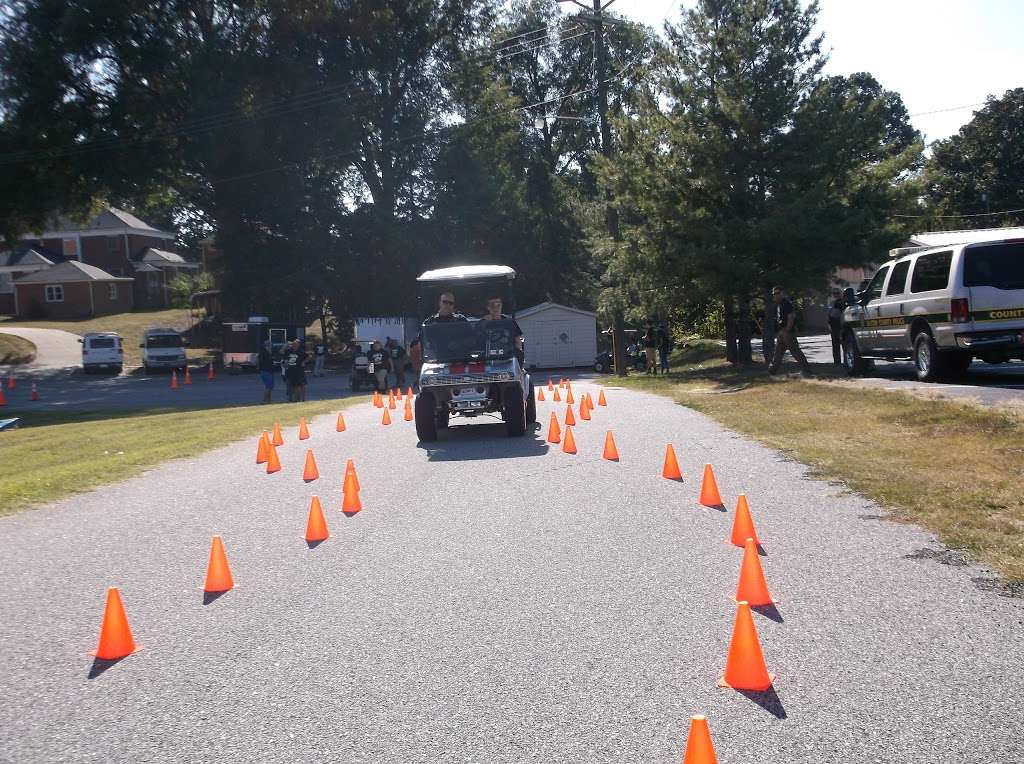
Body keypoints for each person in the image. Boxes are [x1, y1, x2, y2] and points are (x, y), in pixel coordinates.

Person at [768, 286, 813, 376]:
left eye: (777, 293)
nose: (775, 295)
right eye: (774, 294)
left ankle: (806, 369)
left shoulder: (786, 304)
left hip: (787, 331)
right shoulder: (778, 304)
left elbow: (791, 316)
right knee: (778, 351)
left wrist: (788, 329)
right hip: (781, 331)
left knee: (795, 350)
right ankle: (772, 370)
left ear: (782, 293)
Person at [827, 287, 846, 366]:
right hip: (833, 325)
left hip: (841, 325)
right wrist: (829, 324)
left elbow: (843, 314)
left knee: (845, 344)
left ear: (841, 294)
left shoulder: (843, 302)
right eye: (834, 293)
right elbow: (828, 314)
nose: (836, 295)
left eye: (837, 293)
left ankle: (847, 361)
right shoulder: (831, 303)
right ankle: (837, 362)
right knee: (835, 345)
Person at [257, 339, 276, 404]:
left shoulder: (270, 352)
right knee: (269, 386)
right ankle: (264, 401)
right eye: (270, 344)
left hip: (270, 371)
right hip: (265, 371)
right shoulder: (263, 352)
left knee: (269, 386)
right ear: (267, 345)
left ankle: (269, 401)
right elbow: (259, 360)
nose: (271, 345)